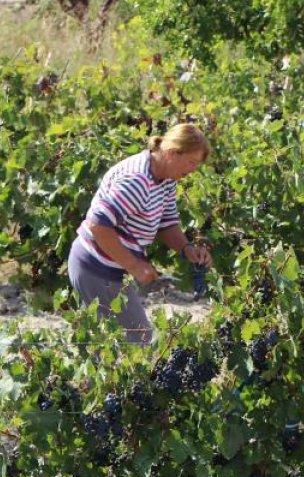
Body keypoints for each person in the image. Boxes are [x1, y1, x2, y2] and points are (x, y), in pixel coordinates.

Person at [68, 124, 213, 344]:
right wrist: (134, 265)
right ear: (173, 153)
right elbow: (98, 226)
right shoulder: (138, 181)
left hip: (112, 269)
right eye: (192, 162)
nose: (193, 169)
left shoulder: (166, 178)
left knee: (123, 345)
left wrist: (186, 249)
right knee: (135, 342)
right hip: (94, 267)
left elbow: (167, 223)